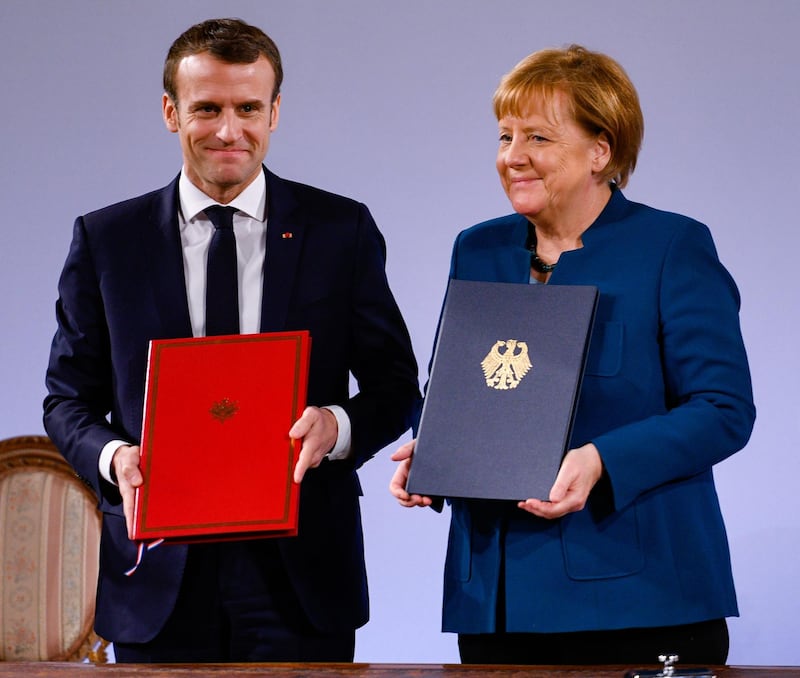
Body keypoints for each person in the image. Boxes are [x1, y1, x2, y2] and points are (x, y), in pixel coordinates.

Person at [44, 17, 419, 663]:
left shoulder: (340, 229)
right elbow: (66, 401)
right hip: (157, 572)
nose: (228, 130)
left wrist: (336, 427)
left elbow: (394, 385)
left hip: (301, 574)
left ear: (275, 112)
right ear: (171, 111)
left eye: (248, 108)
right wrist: (115, 458)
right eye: (207, 108)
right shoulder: (108, 240)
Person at [390, 44, 755, 666]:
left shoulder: (672, 247)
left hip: (639, 599)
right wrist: (433, 449)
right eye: (505, 135)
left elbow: (722, 410)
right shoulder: (476, 249)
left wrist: (600, 460)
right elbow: (463, 385)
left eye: (538, 137)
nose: (512, 157)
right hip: (497, 604)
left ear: (600, 151)